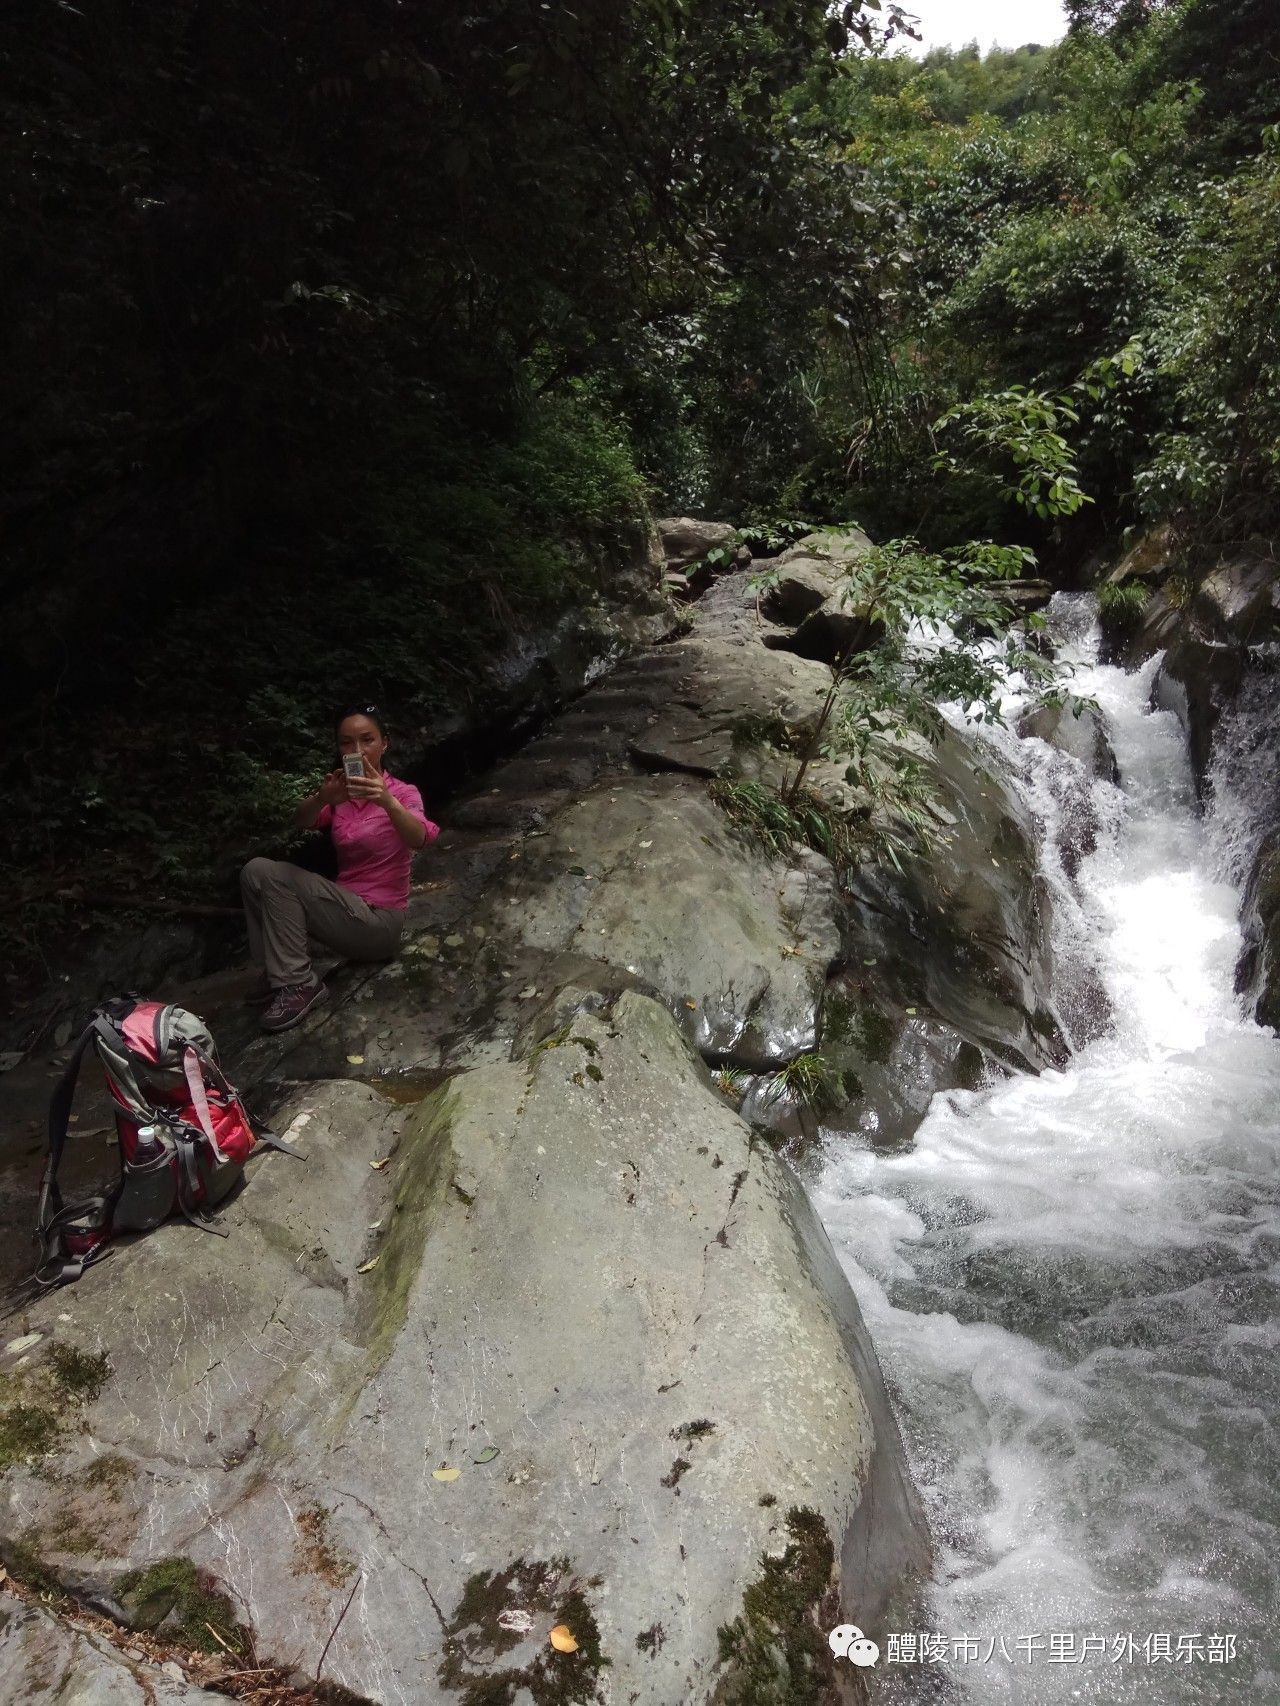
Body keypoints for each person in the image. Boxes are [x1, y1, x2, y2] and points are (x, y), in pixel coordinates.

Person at [240, 705, 440, 1032]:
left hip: (379, 923)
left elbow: (420, 837)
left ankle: (299, 984)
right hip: (343, 911)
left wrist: (387, 802)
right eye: (347, 743)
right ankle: (277, 972)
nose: (357, 750)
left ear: (384, 743)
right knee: (254, 871)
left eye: (367, 740)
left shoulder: (403, 793)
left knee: (275, 875)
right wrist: (322, 798)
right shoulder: (341, 794)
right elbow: (301, 821)